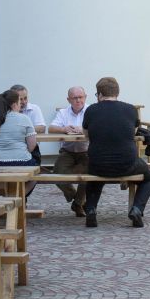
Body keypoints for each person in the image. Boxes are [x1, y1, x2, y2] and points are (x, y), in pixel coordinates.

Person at [81, 77, 150, 229]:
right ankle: (136, 209)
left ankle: (90, 210)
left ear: (100, 94)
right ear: (117, 92)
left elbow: (86, 135)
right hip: (127, 164)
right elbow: (133, 133)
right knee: (149, 179)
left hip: (98, 164)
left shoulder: (91, 110)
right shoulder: (130, 109)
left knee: (94, 177)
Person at [48, 86, 89, 217]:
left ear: (85, 97)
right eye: (74, 98)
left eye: (80, 97)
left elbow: (99, 128)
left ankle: (77, 204)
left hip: (86, 151)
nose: (78, 100)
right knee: (57, 175)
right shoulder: (63, 112)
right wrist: (64, 129)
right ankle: (78, 199)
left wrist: (83, 130)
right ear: (68, 99)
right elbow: (51, 128)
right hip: (68, 151)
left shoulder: (91, 111)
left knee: (89, 174)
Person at [0, 89, 38, 166]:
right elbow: (32, 146)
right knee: (35, 160)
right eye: (19, 102)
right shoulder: (24, 119)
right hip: (21, 161)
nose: (20, 105)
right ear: (14, 104)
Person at [10, 83, 46, 196]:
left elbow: (42, 128)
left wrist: (21, 129)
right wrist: (28, 130)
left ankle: (20, 198)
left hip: (31, 149)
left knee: (34, 173)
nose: (24, 101)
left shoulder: (34, 108)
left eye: (26, 98)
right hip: (11, 149)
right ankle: (20, 200)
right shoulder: (5, 110)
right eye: (21, 99)